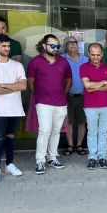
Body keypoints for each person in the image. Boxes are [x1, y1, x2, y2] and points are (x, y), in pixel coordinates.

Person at [27, 34, 71, 175]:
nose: (55, 48)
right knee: (44, 131)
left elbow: (69, 80)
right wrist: (39, 96)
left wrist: (62, 94)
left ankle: (52, 158)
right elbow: (30, 82)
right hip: (43, 102)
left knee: (56, 131)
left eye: (57, 46)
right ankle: (40, 161)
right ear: (44, 45)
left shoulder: (63, 61)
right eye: (52, 46)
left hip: (60, 103)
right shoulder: (35, 62)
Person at [0, 34, 27, 183]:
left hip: (14, 108)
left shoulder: (17, 65)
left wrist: (4, 84)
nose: (7, 48)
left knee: (10, 138)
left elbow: (23, 85)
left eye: (8, 46)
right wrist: (14, 86)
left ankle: (10, 164)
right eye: (4, 46)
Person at [80, 43, 107, 170]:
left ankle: (102, 157)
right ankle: (92, 158)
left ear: (102, 54)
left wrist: (93, 86)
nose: (95, 57)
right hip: (90, 106)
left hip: (106, 105)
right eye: (92, 54)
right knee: (92, 133)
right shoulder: (83, 67)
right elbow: (87, 85)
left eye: (98, 54)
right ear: (88, 54)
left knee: (103, 133)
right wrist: (103, 83)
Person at [62, 36, 88, 157]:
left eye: (74, 42)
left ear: (78, 45)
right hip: (67, 96)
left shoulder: (86, 59)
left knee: (82, 122)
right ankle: (70, 145)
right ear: (65, 46)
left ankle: (79, 145)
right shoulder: (61, 59)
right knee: (69, 122)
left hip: (83, 95)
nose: (72, 45)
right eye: (69, 43)